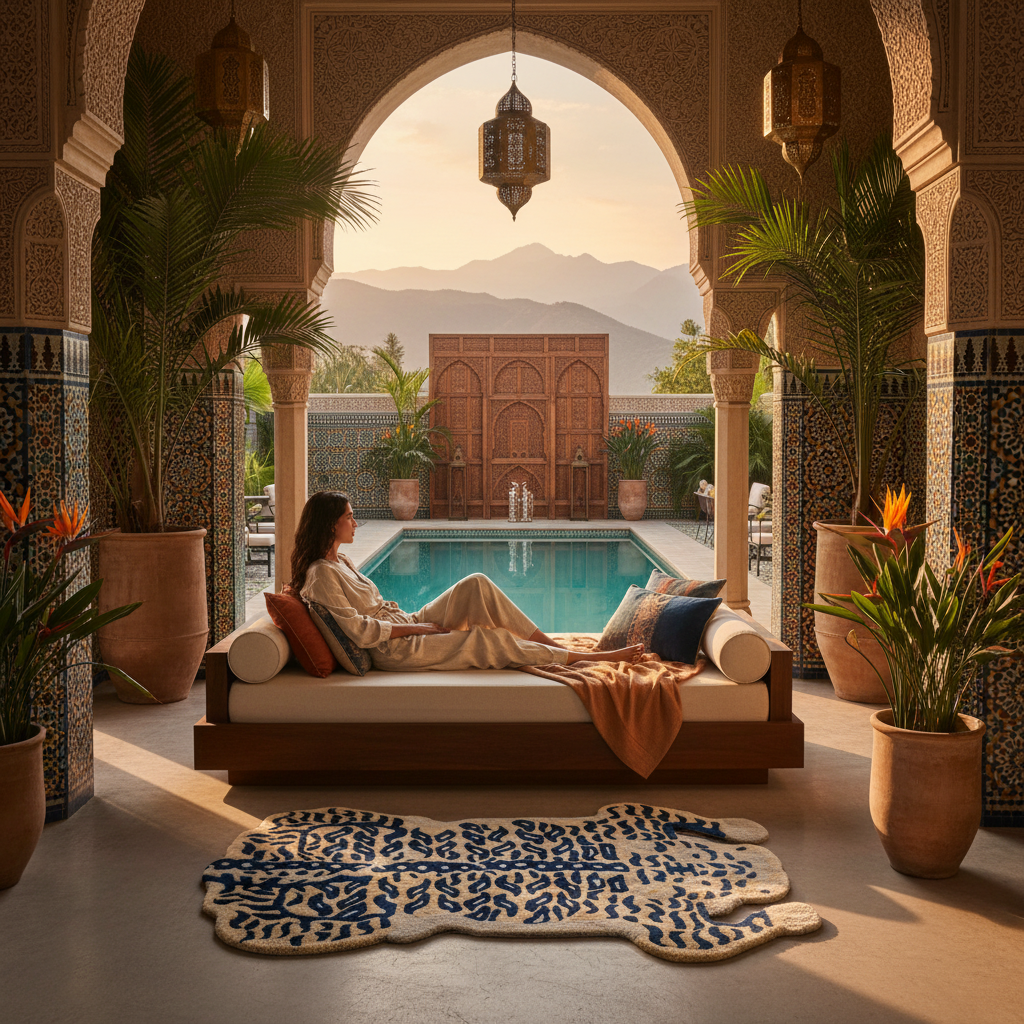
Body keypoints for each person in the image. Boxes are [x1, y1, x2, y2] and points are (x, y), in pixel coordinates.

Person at [292, 490, 643, 671]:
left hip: (404, 623)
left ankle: (556, 648)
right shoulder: (321, 574)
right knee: (487, 641)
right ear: (330, 524)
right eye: (350, 518)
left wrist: (415, 622)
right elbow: (359, 632)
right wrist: (418, 630)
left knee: (476, 583)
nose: (355, 524)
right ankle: (584, 660)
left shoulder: (342, 560)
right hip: (393, 649)